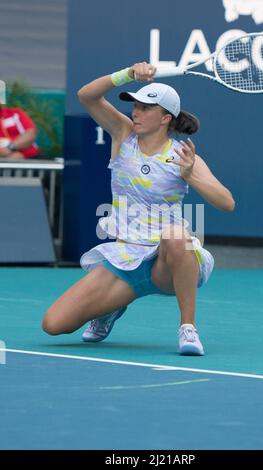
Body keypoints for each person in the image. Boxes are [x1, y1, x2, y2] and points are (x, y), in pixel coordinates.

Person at [42, 62, 235, 355]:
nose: (136, 112)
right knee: (54, 324)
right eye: (136, 105)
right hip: (125, 260)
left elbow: (226, 203)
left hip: (166, 264)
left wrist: (190, 175)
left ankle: (188, 328)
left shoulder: (182, 156)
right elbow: (86, 96)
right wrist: (126, 74)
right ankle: (111, 307)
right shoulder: (123, 134)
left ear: (165, 118)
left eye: (146, 108)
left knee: (176, 235)